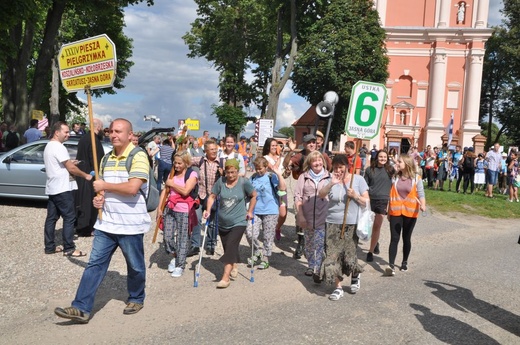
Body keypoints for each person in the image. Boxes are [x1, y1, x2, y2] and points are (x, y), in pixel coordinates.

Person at [54, 118, 151, 323]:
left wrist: (104, 184)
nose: (113, 135)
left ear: (129, 135)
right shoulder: (106, 159)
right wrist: (100, 198)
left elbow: (133, 188)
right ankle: (81, 308)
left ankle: (136, 297)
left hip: (130, 225)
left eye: (118, 131)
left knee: (134, 265)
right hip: (106, 223)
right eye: (111, 131)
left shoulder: (138, 156)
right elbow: (104, 190)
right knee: (94, 265)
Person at [318, 154, 369, 300]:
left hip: (351, 224)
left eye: (341, 167)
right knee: (332, 255)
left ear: (347, 166)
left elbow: (366, 201)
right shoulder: (330, 179)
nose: (338, 170)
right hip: (332, 223)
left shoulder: (357, 180)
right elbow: (321, 194)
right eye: (335, 167)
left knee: (349, 256)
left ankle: (355, 275)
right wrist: (331, 184)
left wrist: (355, 196)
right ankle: (338, 287)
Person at [203, 159, 257, 288]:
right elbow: (212, 196)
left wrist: (250, 211)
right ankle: (233, 263)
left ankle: (225, 278)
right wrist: (208, 210)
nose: (231, 175)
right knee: (229, 248)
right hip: (222, 222)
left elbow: (254, 195)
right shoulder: (221, 182)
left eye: (233, 172)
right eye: (228, 172)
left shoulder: (244, 182)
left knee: (232, 245)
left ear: (238, 171)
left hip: (239, 221)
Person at [43, 121, 92, 256]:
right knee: (69, 217)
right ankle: (69, 248)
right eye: (65, 132)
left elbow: (64, 165)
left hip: (53, 187)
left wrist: (71, 163)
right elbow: (70, 168)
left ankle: (49, 246)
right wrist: (85, 175)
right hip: (62, 188)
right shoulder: (59, 147)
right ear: (57, 132)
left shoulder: (48, 146)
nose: (68, 135)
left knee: (51, 218)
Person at [284, 134, 331, 259]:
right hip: (305, 189)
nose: (311, 144)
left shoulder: (323, 156)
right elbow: (286, 164)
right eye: (309, 142)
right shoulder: (300, 155)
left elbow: (330, 169)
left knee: (322, 222)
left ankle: (323, 249)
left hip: (321, 192)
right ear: (304, 144)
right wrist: (291, 150)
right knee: (301, 219)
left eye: (313, 142)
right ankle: (301, 244)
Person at [385, 154, 426, 276]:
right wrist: (388, 210)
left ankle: (404, 262)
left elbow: (421, 194)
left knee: (406, 238)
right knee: (394, 238)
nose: (397, 163)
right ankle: (391, 265)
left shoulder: (416, 178)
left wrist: (423, 205)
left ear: (407, 164)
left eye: (399, 162)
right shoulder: (395, 178)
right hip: (395, 212)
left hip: (410, 212)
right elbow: (390, 194)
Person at [160, 150, 199, 278]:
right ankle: (175, 256)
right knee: (167, 236)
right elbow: (165, 191)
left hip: (184, 210)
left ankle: (180, 265)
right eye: (175, 163)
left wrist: (173, 184)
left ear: (186, 163)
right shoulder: (172, 174)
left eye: (179, 163)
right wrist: (159, 208)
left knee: (183, 238)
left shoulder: (192, 174)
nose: (176, 166)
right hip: (170, 208)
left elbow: (186, 191)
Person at [294, 151, 331, 281]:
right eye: (314, 161)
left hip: (323, 217)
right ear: (309, 163)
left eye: (320, 160)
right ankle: (310, 265)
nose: (318, 163)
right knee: (309, 244)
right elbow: (298, 197)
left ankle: (317, 270)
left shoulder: (329, 177)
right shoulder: (303, 177)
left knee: (320, 244)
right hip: (307, 217)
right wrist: (300, 215)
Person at [246, 156, 285, 270]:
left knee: (268, 236)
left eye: (260, 168)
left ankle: (265, 258)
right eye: (256, 168)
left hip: (270, 210)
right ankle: (257, 251)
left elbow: (282, 188)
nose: (258, 171)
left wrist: (279, 174)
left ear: (266, 167)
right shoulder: (252, 178)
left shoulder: (271, 177)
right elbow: (248, 191)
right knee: (250, 233)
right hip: (255, 210)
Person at [187, 139, 222, 257]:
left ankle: (211, 244)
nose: (214, 151)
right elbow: (186, 160)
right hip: (200, 195)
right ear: (206, 151)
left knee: (212, 222)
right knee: (196, 220)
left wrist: (223, 173)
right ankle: (195, 245)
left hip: (214, 196)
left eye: (215, 149)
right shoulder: (201, 160)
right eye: (211, 149)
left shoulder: (221, 162)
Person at [74, 118, 104, 237]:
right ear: (98, 127)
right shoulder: (92, 139)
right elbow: (95, 159)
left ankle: (82, 226)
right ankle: (85, 228)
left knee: (83, 201)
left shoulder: (84, 138)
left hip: (84, 173)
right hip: (89, 175)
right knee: (87, 202)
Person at [364, 150, 395, 262]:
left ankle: (370, 251)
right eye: (381, 156)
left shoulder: (390, 170)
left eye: (385, 157)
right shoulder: (369, 170)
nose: (383, 159)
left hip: (382, 200)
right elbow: (364, 185)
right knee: (368, 225)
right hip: (370, 199)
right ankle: (375, 241)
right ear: (377, 157)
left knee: (377, 226)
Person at [262, 138, 288, 240]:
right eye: (272, 145)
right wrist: (281, 157)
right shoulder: (265, 158)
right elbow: (273, 168)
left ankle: (277, 227)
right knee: (270, 211)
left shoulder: (279, 158)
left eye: (275, 145)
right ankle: (269, 230)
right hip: (270, 188)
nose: (274, 147)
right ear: (268, 146)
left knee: (283, 213)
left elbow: (284, 168)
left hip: (281, 187)